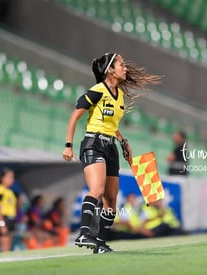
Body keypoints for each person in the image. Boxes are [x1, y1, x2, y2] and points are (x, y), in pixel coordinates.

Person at [62, 52, 161, 253]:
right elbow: (75, 116)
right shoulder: (97, 90)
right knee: (96, 190)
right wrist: (68, 145)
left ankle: (99, 243)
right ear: (110, 70)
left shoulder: (120, 96)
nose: (125, 68)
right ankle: (83, 233)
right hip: (93, 143)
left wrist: (123, 141)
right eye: (121, 64)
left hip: (111, 147)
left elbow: (111, 124)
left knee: (112, 201)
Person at [0, 167, 17, 252]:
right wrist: (2, 224)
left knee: (9, 247)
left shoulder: (9, 191)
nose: (12, 180)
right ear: (2, 178)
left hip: (11, 219)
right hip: (4, 219)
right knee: (5, 248)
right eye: (10, 177)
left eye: (13, 177)